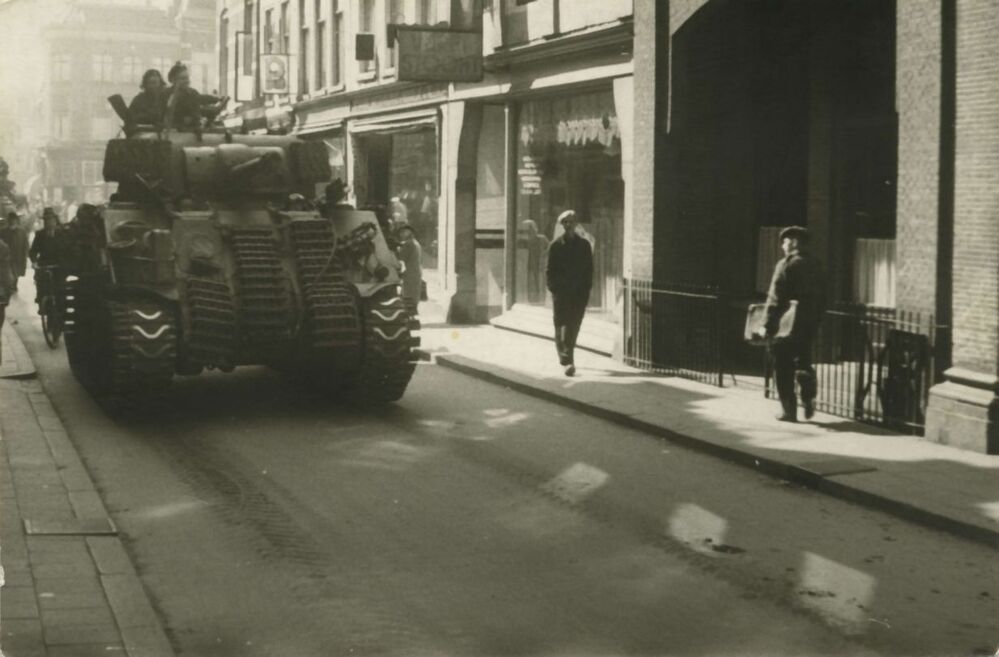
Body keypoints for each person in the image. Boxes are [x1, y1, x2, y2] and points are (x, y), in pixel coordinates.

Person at [762, 225, 826, 422]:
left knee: (782, 365)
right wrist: (817, 318)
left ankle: (788, 411)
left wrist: (767, 323)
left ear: (795, 242)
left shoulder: (786, 264)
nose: (783, 245)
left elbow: (775, 297)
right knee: (803, 360)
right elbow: (824, 296)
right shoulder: (816, 264)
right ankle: (808, 395)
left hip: (786, 323)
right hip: (809, 322)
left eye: (785, 241)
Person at [546, 210, 593, 377]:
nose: (568, 225)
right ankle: (566, 361)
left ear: (576, 224)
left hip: (578, 294)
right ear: (561, 225)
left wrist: (586, 290)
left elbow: (589, 270)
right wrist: (555, 289)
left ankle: (568, 356)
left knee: (574, 325)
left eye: (571, 222)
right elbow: (549, 271)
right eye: (565, 222)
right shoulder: (555, 245)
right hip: (561, 293)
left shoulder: (584, 245)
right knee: (562, 325)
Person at [163, 62, 224, 130]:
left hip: (192, 129)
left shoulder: (191, 92)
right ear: (173, 80)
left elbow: (200, 98)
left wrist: (216, 99)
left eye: (187, 78)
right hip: (175, 130)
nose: (187, 81)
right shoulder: (167, 94)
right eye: (182, 78)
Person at [29, 207, 68, 303]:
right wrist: (34, 262)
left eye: (50, 219)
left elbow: (68, 249)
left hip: (59, 265)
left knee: (61, 290)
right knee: (41, 284)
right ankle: (41, 301)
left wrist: (66, 262)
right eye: (46, 220)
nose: (48, 222)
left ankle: (61, 303)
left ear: (55, 220)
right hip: (44, 265)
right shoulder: (40, 235)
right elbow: (33, 251)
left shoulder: (62, 233)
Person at [396, 224, 423, 313]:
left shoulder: (409, 244)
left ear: (409, 232)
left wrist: (397, 250)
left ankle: (410, 312)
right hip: (416, 272)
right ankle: (413, 310)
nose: (401, 234)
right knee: (414, 293)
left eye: (403, 232)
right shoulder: (416, 243)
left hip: (410, 273)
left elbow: (401, 257)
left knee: (408, 294)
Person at [1, 212, 29, 292]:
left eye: (14, 219)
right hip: (7, 257)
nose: (12, 221)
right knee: (9, 273)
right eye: (11, 219)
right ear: (8, 220)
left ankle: (14, 285)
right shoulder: (3, 231)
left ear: (16, 220)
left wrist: (25, 254)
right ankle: (10, 286)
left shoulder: (22, 231)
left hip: (18, 256)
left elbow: (25, 244)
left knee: (16, 272)